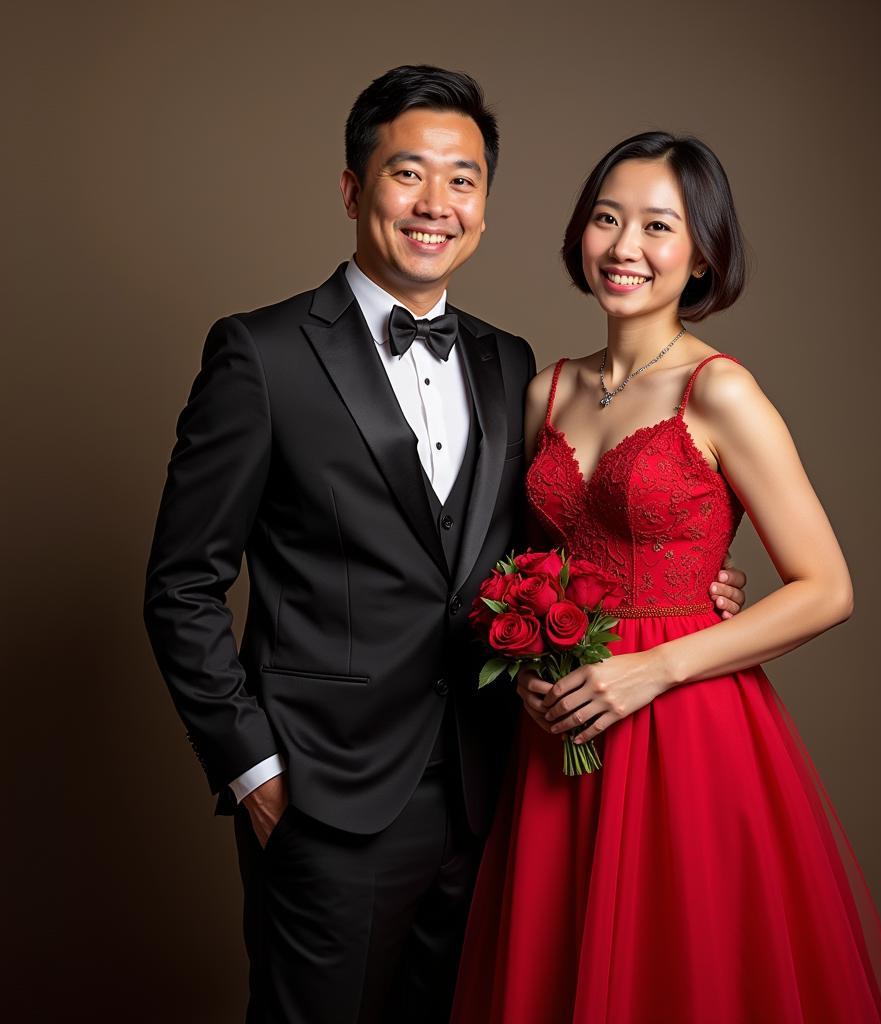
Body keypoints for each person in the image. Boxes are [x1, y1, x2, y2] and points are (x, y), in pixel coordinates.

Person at [143, 72, 747, 1023]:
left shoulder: (510, 363)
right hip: (324, 796)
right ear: (353, 190)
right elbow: (181, 584)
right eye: (408, 174)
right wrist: (255, 772)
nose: (436, 205)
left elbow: (545, 543)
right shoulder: (258, 355)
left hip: (494, 791)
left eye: (463, 180)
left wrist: (687, 580)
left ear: (484, 204)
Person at [451, 132, 881, 1023]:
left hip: (688, 721)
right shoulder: (544, 390)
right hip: (567, 731)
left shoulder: (720, 390)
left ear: (702, 252)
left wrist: (655, 664)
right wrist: (527, 683)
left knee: (683, 970)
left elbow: (827, 586)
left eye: (658, 226)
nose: (625, 247)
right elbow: (511, 566)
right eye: (607, 219)